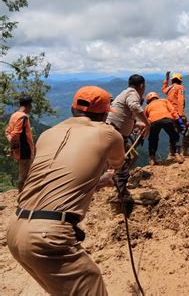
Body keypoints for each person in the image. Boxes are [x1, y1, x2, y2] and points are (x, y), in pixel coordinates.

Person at [7, 86, 125, 296]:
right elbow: (117, 163)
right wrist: (105, 176)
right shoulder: (108, 133)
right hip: (48, 237)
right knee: (92, 286)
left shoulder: (47, 133)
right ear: (105, 113)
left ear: (72, 109)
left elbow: (57, 180)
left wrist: (95, 181)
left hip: (15, 230)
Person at [107, 74, 149, 197]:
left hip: (115, 132)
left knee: (128, 158)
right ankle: (121, 194)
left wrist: (137, 124)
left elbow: (124, 118)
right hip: (116, 134)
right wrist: (147, 123)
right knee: (123, 163)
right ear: (141, 86)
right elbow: (134, 106)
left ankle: (118, 184)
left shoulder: (126, 92)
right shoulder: (133, 93)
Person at [144, 92, 186, 166]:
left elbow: (145, 120)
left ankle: (152, 158)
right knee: (175, 136)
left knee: (153, 139)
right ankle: (177, 154)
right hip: (166, 119)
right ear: (157, 97)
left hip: (154, 121)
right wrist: (180, 122)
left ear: (148, 100)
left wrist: (143, 135)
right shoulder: (164, 101)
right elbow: (173, 112)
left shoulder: (147, 107)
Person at [5, 95, 35, 192]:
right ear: (29, 105)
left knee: (24, 173)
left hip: (19, 150)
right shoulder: (23, 117)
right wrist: (12, 141)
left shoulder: (14, 115)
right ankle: (22, 198)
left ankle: (23, 196)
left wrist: (13, 148)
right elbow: (15, 135)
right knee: (25, 176)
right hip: (25, 151)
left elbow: (8, 131)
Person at [162, 71, 189, 156]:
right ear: (180, 81)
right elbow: (181, 100)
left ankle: (171, 153)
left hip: (170, 114)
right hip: (177, 114)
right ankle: (184, 151)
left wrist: (166, 78)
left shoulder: (169, 88)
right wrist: (180, 114)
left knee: (173, 133)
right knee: (187, 131)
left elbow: (163, 89)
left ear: (172, 81)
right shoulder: (180, 87)